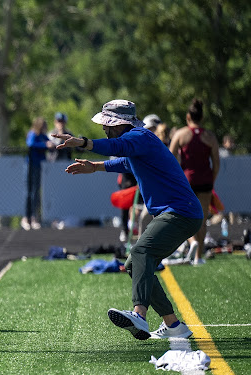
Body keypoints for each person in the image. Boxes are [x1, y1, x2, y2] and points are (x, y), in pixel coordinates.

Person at [56, 99, 202, 340]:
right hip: (175, 212)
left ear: (121, 123)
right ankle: (174, 325)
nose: (104, 128)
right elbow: (125, 161)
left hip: (180, 212)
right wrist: (95, 167)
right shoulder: (138, 142)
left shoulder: (139, 137)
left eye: (108, 124)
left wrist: (83, 142)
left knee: (142, 252)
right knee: (134, 264)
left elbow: (117, 147)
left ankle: (139, 315)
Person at [168, 99, 220, 266]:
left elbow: (170, 159)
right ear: (202, 117)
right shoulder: (210, 136)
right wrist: (211, 180)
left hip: (187, 182)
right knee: (202, 219)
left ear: (188, 116)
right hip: (205, 182)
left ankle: (192, 241)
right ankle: (198, 257)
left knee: (183, 216)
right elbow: (216, 163)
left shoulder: (180, 135)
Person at [22, 117, 54, 230]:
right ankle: (27, 217)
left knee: (36, 192)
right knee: (29, 192)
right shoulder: (33, 134)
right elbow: (30, 144)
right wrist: (45, 145)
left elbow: (49, 143)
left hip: (39, 166)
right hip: (31, 166)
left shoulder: (42, 136)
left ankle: (35, 217)